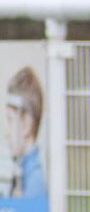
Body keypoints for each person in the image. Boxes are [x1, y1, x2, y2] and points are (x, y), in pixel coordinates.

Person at [5, 66, 46, 198]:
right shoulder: (24, 175)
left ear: (27, 124)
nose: (6, 133)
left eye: (10, 120)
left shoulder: (34, 184)